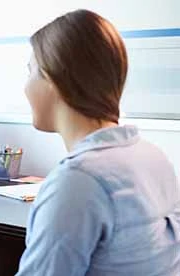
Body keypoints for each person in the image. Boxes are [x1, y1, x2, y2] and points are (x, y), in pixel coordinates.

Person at [16, 9, 180, 275]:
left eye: (30, 71)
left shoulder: (77, 181)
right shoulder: (154, 158)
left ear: (55, 79)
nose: (25, 87)